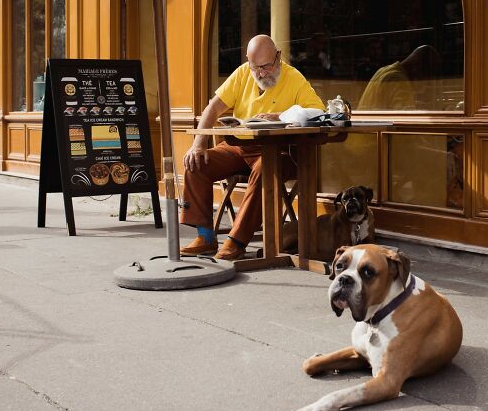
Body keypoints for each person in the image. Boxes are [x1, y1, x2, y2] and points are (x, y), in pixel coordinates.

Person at [180, 34, 325, 260]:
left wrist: (280, 117)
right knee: (196, 162)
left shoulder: (294, 77)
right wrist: (197, 144)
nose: (261, 73)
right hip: (240, 147)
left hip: (282, 152)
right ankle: (206, 237)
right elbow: (212, 108)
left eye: (266, 66)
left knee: (264, 169)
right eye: (255, 67)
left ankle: (237, 241)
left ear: (278, 57)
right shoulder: (242, 74)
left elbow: (318, 112)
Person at [357, 44, 440, 111]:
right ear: (416, 68)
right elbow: (405, 120)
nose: (425, 83)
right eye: (425, 78)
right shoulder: (399, 81)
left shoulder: (384, 70)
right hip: (374, 131)